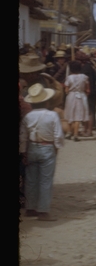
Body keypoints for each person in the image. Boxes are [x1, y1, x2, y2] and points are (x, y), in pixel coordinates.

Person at [20, 83, 64, 221]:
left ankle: (30, 208)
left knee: (31, 180)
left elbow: (22, 136)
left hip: (32, 147)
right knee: (45, 180)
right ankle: (43, 211)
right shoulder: (52, 115)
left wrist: (23, 152)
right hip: (47, 148)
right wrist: (57, 147)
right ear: (46, 100)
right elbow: (58, 135)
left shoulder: (28, 117)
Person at [63, 60, 90, 141]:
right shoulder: (84, 77)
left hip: (71, 96)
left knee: (69, 114)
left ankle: (69, 132)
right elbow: (87, 89)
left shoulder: (69, 78)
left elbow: (66, 90)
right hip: (81, 96)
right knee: (77, 116)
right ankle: (75, 134)